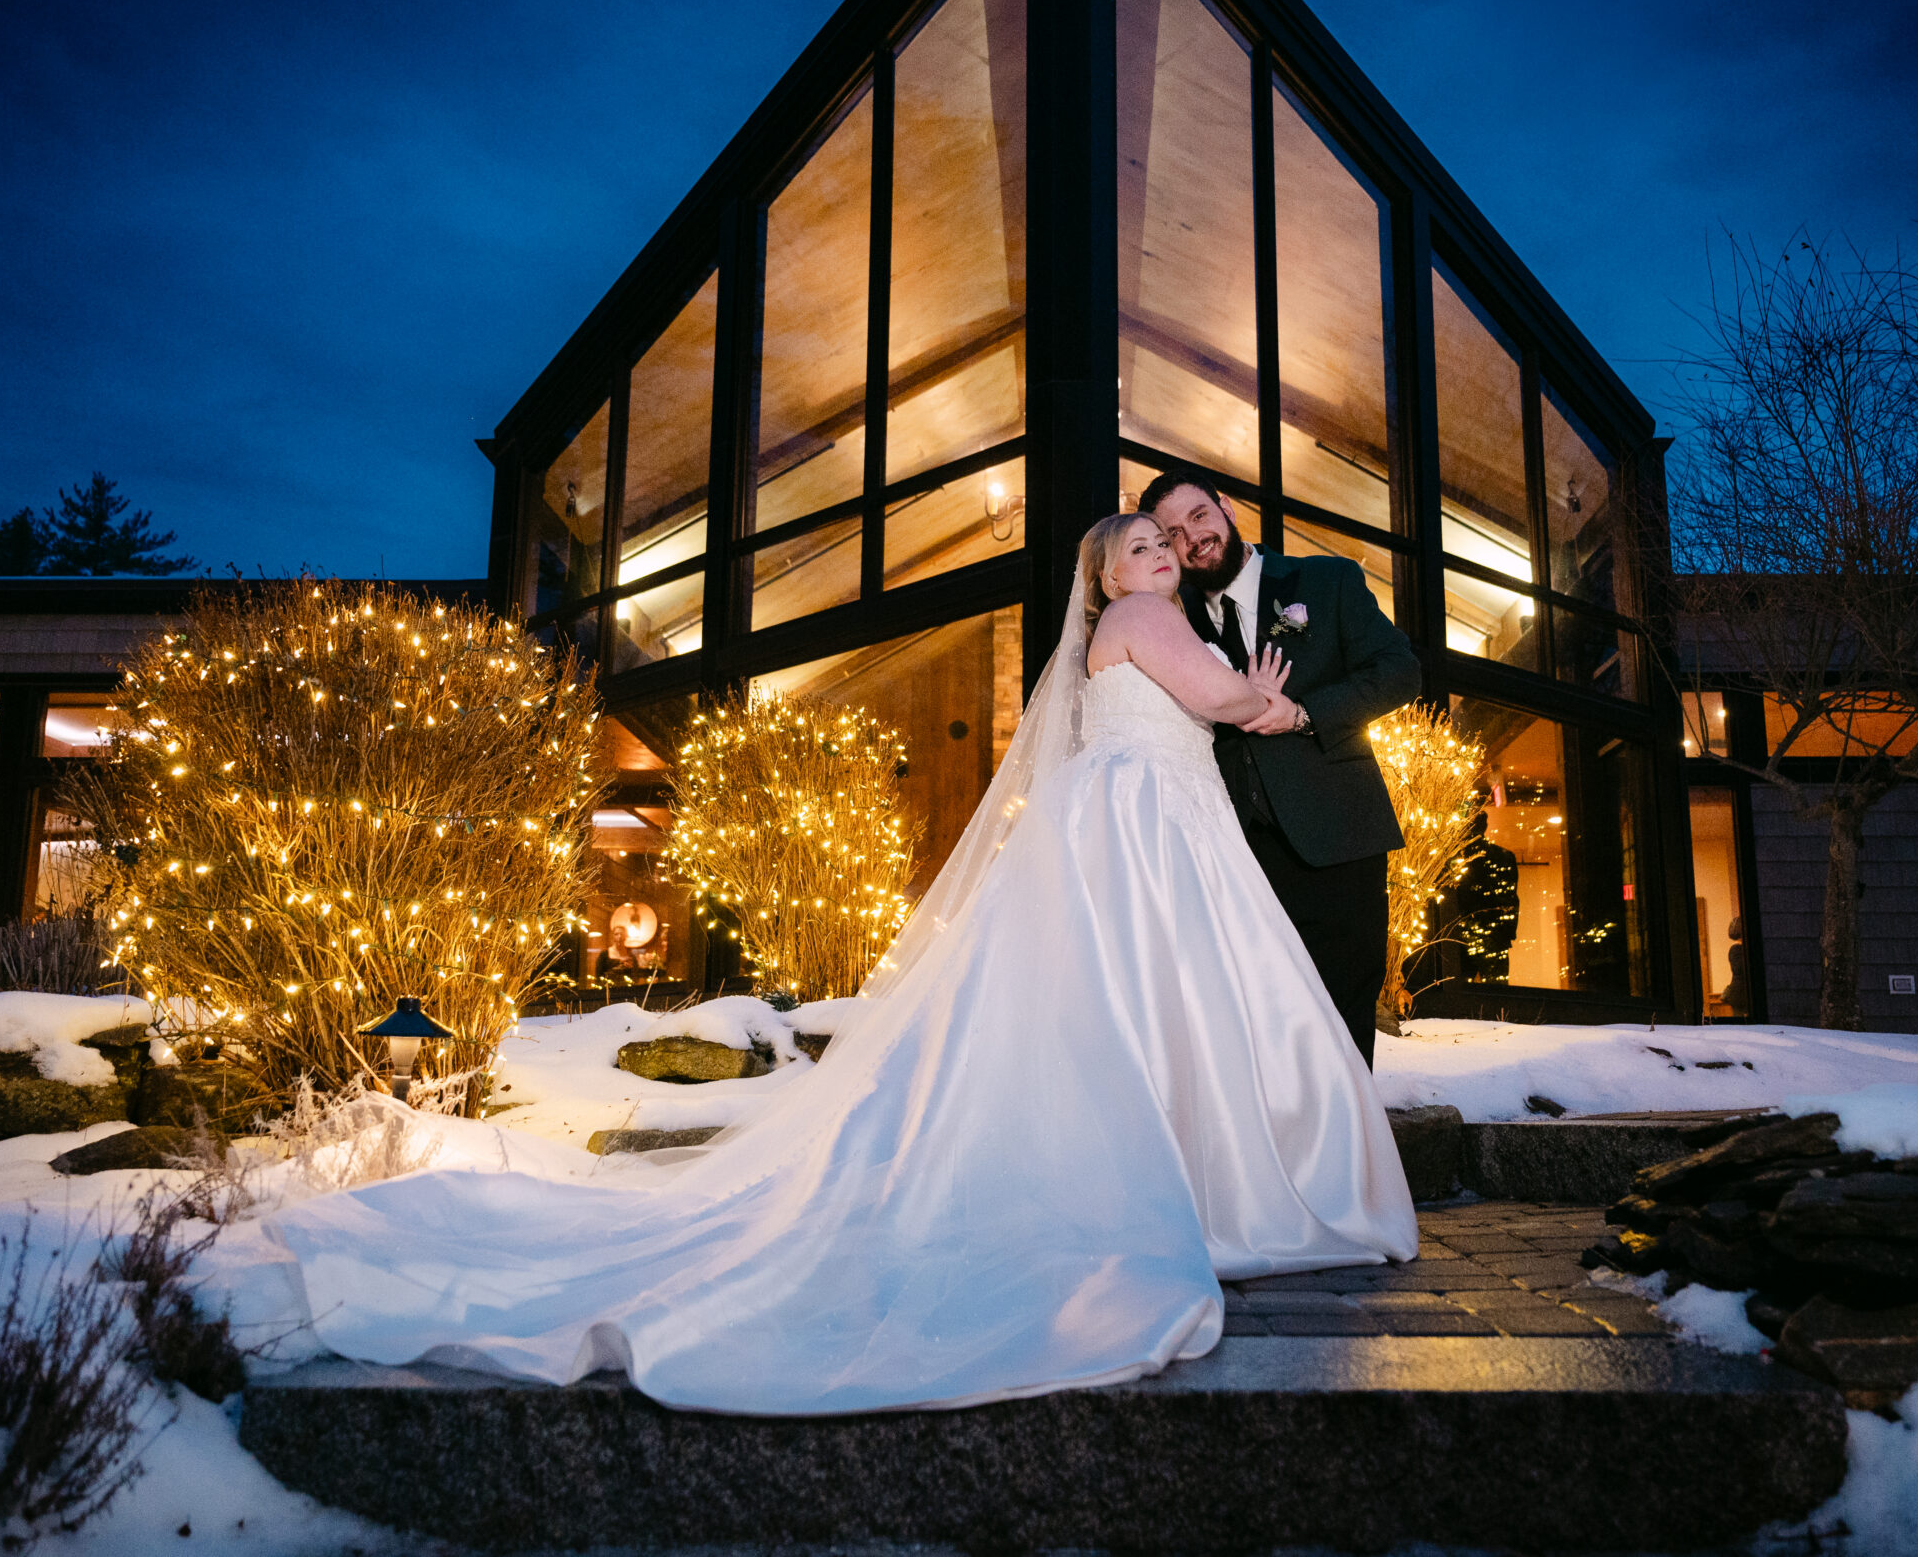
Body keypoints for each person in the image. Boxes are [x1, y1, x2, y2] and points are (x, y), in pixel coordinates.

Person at [265, 513, 1418, 1415]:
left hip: (1141, 822)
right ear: (1105, 578)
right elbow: (1220, 698)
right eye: (1136, 546)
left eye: (1164, 542)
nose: (1159, 553)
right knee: (1160, 1003)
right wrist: (1264, 692)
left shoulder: (1133, 632)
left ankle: (1183, 1164)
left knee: (1135, 1012)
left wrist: (1253, 693)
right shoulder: (1152, 627)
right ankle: (1210, 1181)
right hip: (1148, 834)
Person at [1139, 469, 1426, 1065]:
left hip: (1337, 837)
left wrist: (1302, 714)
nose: (1191, 538)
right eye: (1170, 534)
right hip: (1235, 857)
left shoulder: (1326, 580)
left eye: (1198, 516)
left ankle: (1348, 1152)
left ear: (1228, 510)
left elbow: (1400, 672)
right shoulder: (1173, 617)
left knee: (1342, 1014)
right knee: (1259, 1023)